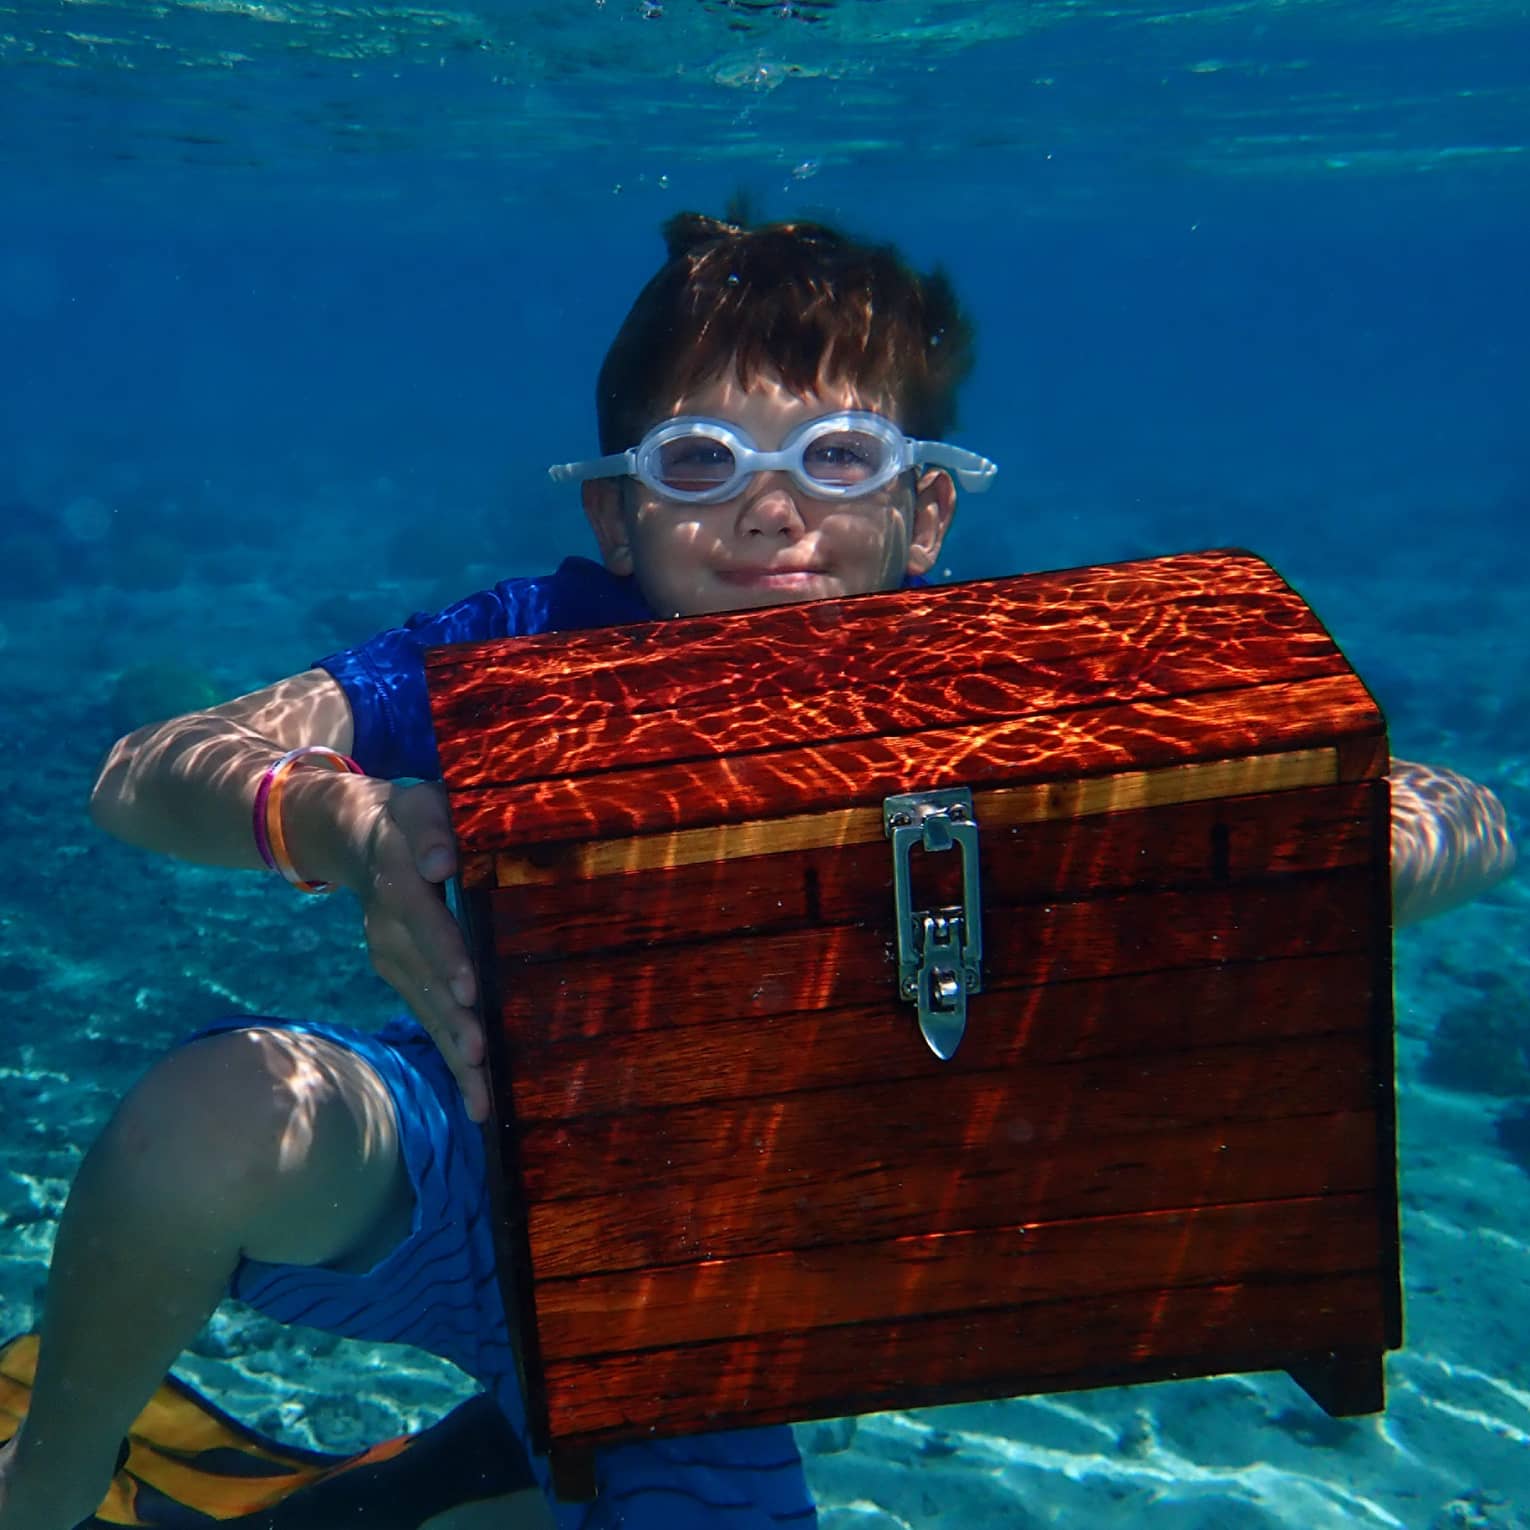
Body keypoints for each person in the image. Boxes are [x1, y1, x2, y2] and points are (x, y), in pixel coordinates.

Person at [0, 212, 1517, 1530]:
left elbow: (1465, 811)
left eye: (838, 456)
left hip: (733, 1294)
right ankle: (43, 1496)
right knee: (203, 1119)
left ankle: (488, 1477)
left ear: (925, 509)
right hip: (479, 1165)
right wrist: (330, 821)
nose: (772, 509)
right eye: (703, 459)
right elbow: (146, 770)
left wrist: (1326, 867)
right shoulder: (524, 639)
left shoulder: (1012, 684)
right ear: (616, 505)